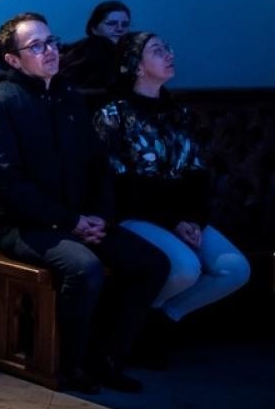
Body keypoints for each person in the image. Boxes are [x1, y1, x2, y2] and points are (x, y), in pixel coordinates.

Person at [0, 12, 169, 393]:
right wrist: (70, 222)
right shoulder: (1, 105)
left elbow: (98, 165)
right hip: (24, 226)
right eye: (36, 46)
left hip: (81, 219)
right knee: (84, 268)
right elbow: (7, 182)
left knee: (151, 264)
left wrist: (100, 217)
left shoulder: (69, 97)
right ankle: (72, 364)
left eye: (51, 42)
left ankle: (108, 356)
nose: (50, 51)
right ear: (13, 59)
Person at [93, 32, 249, 326]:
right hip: (136, 214)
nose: (169, 54)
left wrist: (194, 219)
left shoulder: (179, 113)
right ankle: (126, 323)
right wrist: (174, 221)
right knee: (184, 268)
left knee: (235, 269)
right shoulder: (113, 115)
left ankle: (162, 318)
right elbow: (121, 184)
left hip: (183, 216)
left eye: (167, 48)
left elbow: (197, 173)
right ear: (138, 67)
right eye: (157, 50)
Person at [60, 0, 131, 89]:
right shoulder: (99, 48)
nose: (119, 29)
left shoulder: (77, 50)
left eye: (125, 24)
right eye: (111, 23)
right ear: (94, 28)